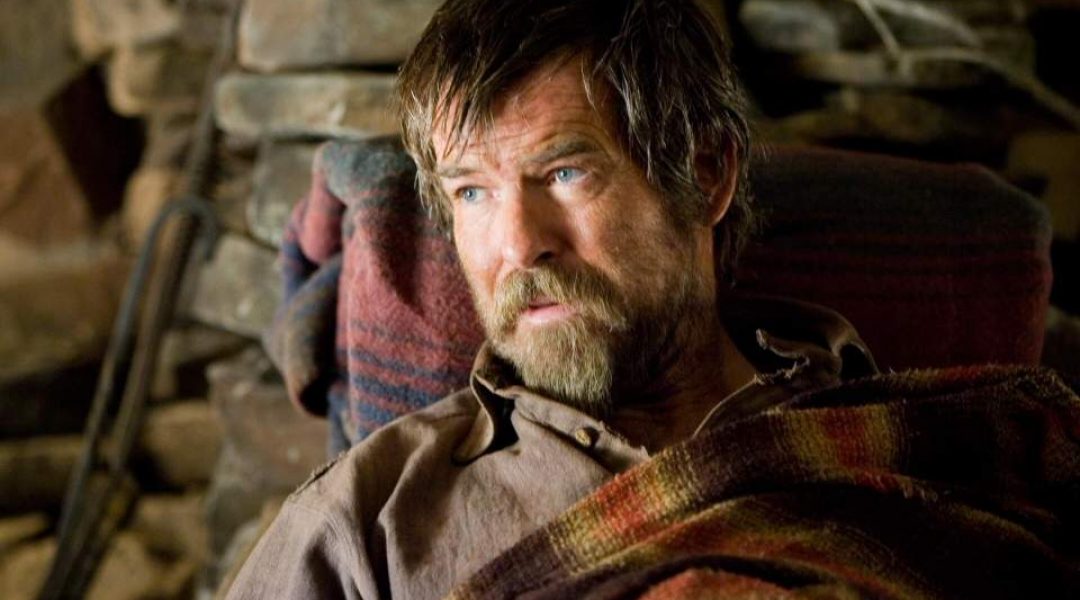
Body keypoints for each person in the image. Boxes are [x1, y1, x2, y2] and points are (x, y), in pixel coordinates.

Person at [227, 1, 1079, 598]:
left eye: (565, 172)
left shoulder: (948, 449)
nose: (518, 245)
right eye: (472, 193)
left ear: (704, 175)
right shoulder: (367, 521)